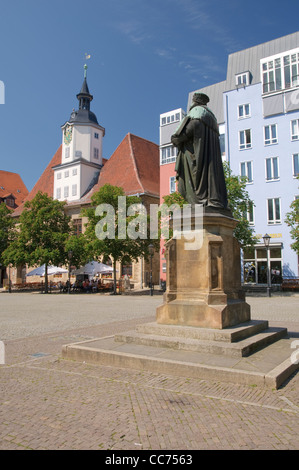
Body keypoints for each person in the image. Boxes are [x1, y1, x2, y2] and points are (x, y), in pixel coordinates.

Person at [171, 93, 228, 210]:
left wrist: (176, 139)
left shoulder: (196, 113)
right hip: (210, 163)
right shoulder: (212, 118)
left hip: (197, 160)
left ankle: (198, 201)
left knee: (194, 186)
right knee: (210, 178)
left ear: (195, 102)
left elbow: (186, 131)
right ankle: (211, 199)